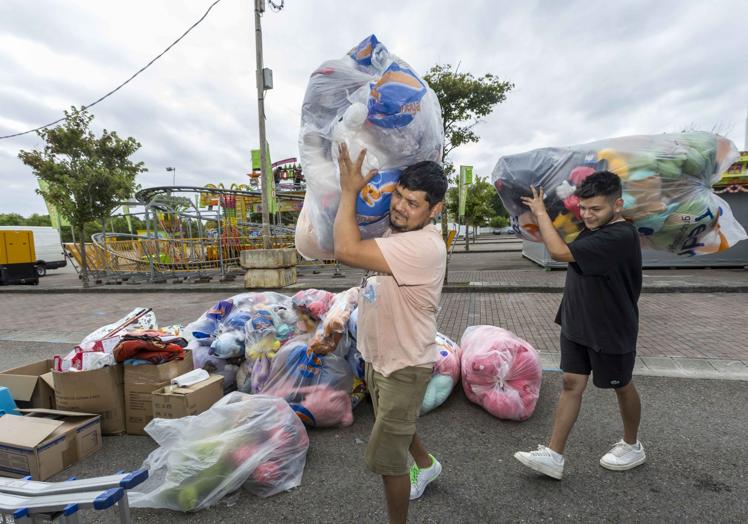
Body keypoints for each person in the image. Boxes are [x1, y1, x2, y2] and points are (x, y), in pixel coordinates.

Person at [334, 143, 448, 523]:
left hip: (404, 365)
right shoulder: (396, 233)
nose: (399, 206)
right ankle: (427, 464)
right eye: (398, 195)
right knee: (393, 423)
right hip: (378, 358)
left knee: (389, 460)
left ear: (435, 210)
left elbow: (345, 249)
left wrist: (349, 190)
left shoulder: (422, 246)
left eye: (412, 203)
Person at [514, 170, 645, 480]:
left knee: (621, 384)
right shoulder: (594, 226)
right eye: (583, 208)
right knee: (571, 382)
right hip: (577, 318)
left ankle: (632, 444)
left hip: (610, 327)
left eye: (595, 209)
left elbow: (559, 252)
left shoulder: (620, 235)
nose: (587, 215)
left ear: (618, 205)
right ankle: (554, 455)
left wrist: (541, 211)